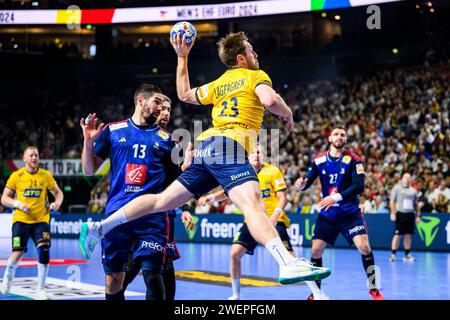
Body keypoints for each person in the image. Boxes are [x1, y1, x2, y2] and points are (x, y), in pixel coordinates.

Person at [80, 31, 331, 285]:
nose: (257, 54)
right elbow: (269, 100)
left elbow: (185, 94)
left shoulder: (220, 83)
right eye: (252, 50)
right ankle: (287, 263)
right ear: (241, 58)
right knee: (253, 205)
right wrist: (286, 113)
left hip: (206, 146)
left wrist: (182, 58)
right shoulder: (257, 75)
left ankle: (101, 227)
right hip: (230, 146)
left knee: (161, 201)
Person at [79, 85, 194, 300]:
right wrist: (88, 142)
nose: (161, 108)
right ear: (141, 100)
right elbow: (89, 169)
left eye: (164, 104)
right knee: (114, 281)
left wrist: (186, 170)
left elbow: (178, 182)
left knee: (153, 275)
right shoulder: (113, 130)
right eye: (157, 102)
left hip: (152, 220)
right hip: (117, 216)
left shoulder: (168, 140)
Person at [198, 144, 328, 300]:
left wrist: (275, 215)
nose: (256, 155)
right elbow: (228, 191)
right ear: (248, 156)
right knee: (234, 254)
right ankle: (236, 294)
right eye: (253, 152)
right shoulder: (241, 173)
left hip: (274, 220)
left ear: (263, 155)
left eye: (259, 152)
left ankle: (318, 294)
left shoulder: (273, 171)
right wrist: (211, 197)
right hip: (252, 220)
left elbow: (283, 197)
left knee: (292, 258)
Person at [295, 125, 384, 300]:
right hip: (328, 215)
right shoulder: (319, 160)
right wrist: (301, 185)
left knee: (364, 247)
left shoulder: (354, 160)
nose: (339, 137)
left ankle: (373, 288)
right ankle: (316, 293)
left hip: (350, 214)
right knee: (315, 252)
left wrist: (335, 198)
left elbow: (359, 186)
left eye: (343, 134)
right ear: (330, 138)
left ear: (346, 139)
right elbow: (307, 181)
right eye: (336, 134)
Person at [120, 94, 195, 300]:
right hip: (138, 214)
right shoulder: (136, 137)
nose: (165, 113)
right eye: (161, 109)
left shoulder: (171, 143)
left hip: (163, 218)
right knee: (136, 271)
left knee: (163, 272)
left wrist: (185, 210)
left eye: (169, 110)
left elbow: (179, 180)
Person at [1, 146, 64, 300]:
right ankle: (8, 277)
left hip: (40, 220)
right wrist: (17, 204)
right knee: (18, 253)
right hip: (21, 221)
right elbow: (4, 198)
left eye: (36, 155)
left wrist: (57, 203)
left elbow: (58, 193)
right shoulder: (17, 176)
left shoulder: (45, 175)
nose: (34, 158)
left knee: (44, 250)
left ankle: (40, 289)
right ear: (24, 159)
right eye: (31, 155)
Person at [389, 173, 421, 262]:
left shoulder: (413, 191)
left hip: (410, 215)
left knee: (408, 235)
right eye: (405, 177)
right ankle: (393, 255)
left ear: (411, 179)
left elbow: (416, 204)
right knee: (397, 235)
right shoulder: (397, 188)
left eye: (409, 177)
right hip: (400, 214)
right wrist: (393, 212)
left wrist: (418, 216)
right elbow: (392, 201)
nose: (407, 179)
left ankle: (407, 255)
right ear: (402, 179)